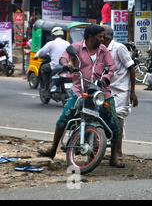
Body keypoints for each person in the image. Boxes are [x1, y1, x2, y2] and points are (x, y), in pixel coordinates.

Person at [38, 25, 124, 168]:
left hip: (101, 92)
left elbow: (112, 67)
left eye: (103, 36)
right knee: (62, 120)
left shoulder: (103, 51)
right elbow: (64, 58)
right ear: (90, 37)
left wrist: (107, 77)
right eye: (100, 36)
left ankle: (114, 156)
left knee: (115, 126)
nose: (103, 39)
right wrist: (67, 65)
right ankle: (52, 150)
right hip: (80, 91)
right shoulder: (76, 48)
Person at [103, 26, 138, 162]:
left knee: (118, 119)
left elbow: (131, 69)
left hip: (121, 90)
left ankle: (117, 153)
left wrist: (133, 92)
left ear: (106, 37)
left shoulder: (119, 48)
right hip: (106, 89)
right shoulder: (101, 50)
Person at [34, 27, 70, 92]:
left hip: (55, 66)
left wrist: (36, 56)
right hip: (66, 67)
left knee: (43, 68)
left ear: (53, 35)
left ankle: (46, 87)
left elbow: (41, 52)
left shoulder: (51, 43)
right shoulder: (67, 43)